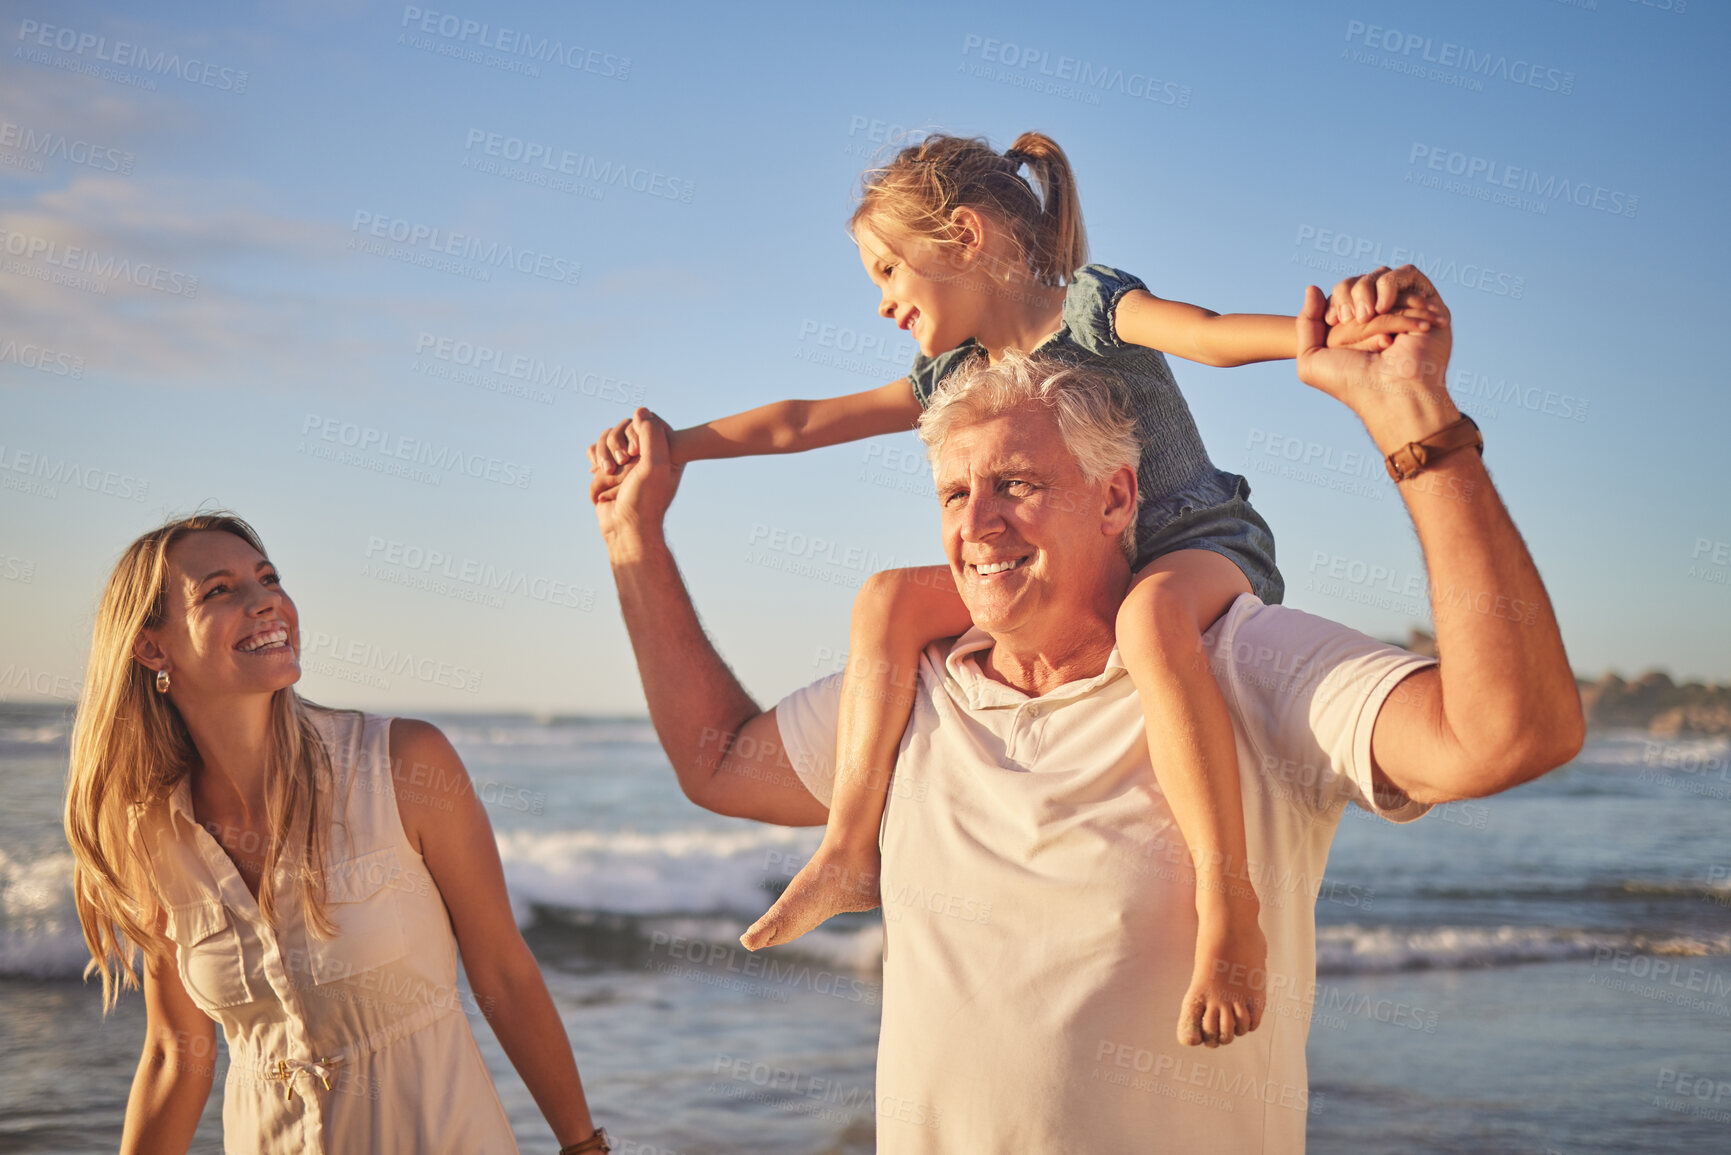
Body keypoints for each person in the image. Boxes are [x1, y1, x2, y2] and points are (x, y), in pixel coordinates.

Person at [592, 267, 1583, 1151]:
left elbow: (1513, 735)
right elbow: (718, 760)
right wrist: (633, 540)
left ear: (1117, 501)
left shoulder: (1244, 661)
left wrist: (1417, 422)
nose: (977, 526)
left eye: (1016, 486)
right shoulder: (908, 689)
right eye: (953, 495)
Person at [586, 131, 1437, 1047]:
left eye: (886, 270)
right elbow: (802, 422)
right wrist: (676, 444)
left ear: (962, 237)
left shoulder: (1093, 306)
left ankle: (1229, 909)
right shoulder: (953, 373)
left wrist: (1321, 340)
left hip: (1191, 543)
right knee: (884, 598)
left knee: (1152, 620)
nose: (880, 302)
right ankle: (845, 847)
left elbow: (1210, 335)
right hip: (1060, 569)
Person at [64, 513, 610, 1155]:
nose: (264, 600)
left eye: (267, 579)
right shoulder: (150, 835)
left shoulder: (404, 763)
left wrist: (583, 1147)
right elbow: (174, 1055)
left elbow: (504, 972)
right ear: (153, 648)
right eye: (220, 590)